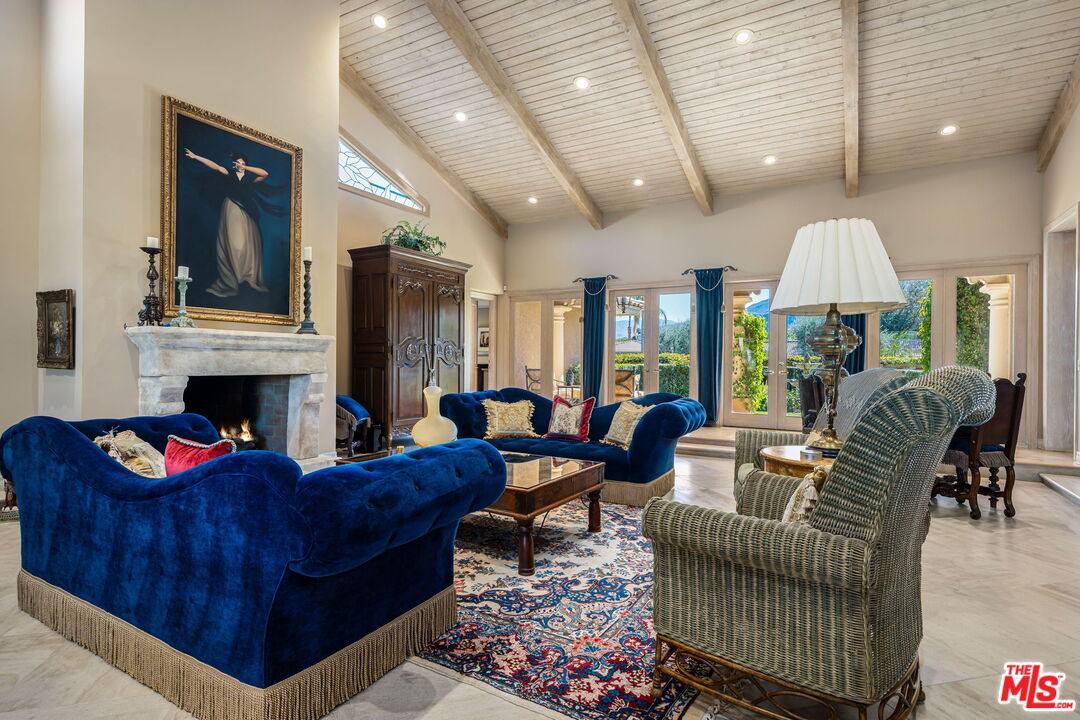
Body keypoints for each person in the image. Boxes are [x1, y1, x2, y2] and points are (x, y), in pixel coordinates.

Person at [183, 148, 272, 297]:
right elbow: (215, 166)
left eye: (242, 163)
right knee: (235, 244)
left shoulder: (250, 178)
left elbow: (264, 173)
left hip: (247, 211)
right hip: (232, 208)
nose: (240, 165)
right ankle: (232, 278)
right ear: (234, 164)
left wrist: (245, 168)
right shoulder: (229, 173)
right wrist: (196, 156)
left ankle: (247, 277)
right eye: (237, 162)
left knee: (249, 244)